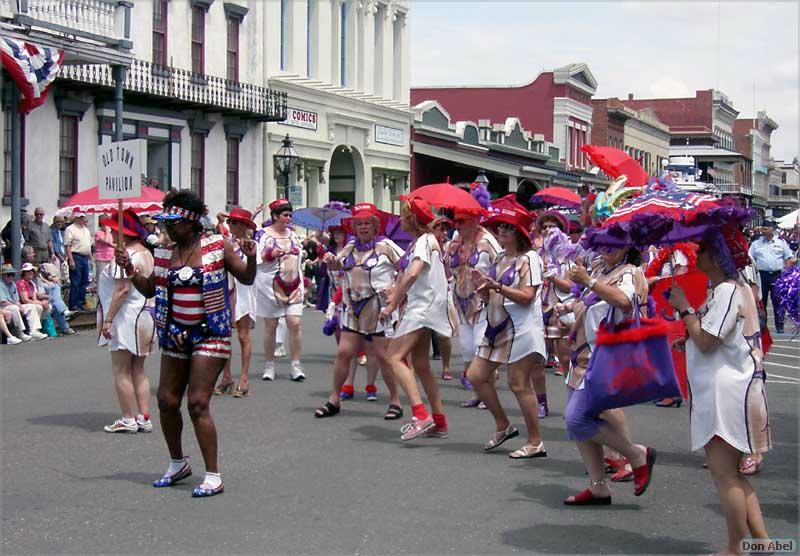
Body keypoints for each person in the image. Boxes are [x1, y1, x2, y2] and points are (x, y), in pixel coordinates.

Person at [117, 189, 257, 498]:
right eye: (166, 222)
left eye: (174, 222)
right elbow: (150, 289)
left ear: (191, 222)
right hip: (175, 334)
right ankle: (178, 463)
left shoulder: (218, 247)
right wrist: (131, 271)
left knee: (197, 403)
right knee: (166, 401)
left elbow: (246, 278)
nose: (167, 228)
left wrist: (253, 257)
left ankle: (213, 475)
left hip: (211, 334)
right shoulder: (165, 253)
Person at [668, 226, 771, 555]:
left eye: (702, 251)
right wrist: (690, 336)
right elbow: (719, 337)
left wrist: (684, 308)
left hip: (728, 393)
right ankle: (765, 545)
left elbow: (708, 340)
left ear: (717, 256)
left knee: (725, 476)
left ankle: (735, 549)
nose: (696, 256)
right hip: (731, 388)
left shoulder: (728, 290)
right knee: (736, 477)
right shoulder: (727, 290)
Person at [561, 247, 655, 506]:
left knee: (576, 420)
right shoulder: (601, 269)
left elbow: (623, 301)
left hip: (602, 358)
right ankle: (598, 486)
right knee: (582, 424)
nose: (605, 249)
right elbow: (591, 307)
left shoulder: (629, 272)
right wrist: (566, 313)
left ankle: (636, 454)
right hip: (581, 355)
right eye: (601, 243)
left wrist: (588, 281)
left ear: (627, 247)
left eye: (612, 244)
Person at [468, 206, 548, 458]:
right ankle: (503, 425)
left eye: (508, 227)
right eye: (500, 225)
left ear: (520, 233)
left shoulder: (530, 259)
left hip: (522, 329)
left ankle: (535, 441)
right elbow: (490, 291)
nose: (501, 229)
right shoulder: (499, 258)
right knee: (476, 376)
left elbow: (527, 296)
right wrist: (480, 286)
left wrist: (498, 287)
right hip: (496, 328)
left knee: (518, 384)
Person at [315, 203, 403, 420]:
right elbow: (337, 267)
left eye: (367, 223)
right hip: (353, 308)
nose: (363, 227)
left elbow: (406, 269)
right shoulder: (351, 247)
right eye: (359, 223)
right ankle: (334, 399)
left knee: (383, 357)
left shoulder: (386, 246)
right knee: (344, 352)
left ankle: (395, 401)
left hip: (378, 309)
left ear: (375, 226)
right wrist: (331, 261)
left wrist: (395, 289)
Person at [381, 198, 454, 440]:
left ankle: (420, 414)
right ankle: (440, 421)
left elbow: (412, 273)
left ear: (412, 218)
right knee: (421, 365)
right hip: (428, 306)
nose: (399, 219)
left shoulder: (423, 240)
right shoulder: (426, 241)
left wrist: (392, 304)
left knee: (392, 357)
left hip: (422, 307)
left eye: (402, 216)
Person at [98, 209, 156, 433]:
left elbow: (121, 290)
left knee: (121, 369)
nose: (111, 232)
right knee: (138, 369)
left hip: (127, 316)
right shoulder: (147, 253)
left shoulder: (126, 256)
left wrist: (108, 320)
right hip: (146, 314)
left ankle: (128, 418)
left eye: (114, 229)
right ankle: (143, 415)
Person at [447, 208, 501, 397]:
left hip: (484, 303)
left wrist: (490, 284)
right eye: (456, 221)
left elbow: (502, 265)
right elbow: (448, 269)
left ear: (474, 221)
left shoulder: (487, 243)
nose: (457, 225)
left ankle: (489, 393)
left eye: (462, 221)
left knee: (481, 347)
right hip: (461, 304)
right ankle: (478, 394)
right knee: (467, 349)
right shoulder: (455, 243)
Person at [255, 199, 306, 382]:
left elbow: (300, 255)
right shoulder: (262, 235)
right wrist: (269, 254)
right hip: (269, 287)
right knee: (271, 326)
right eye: (285, 215)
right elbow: (255, 258)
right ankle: (269, 366)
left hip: (293, 284)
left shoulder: (292, 234)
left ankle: (296, 365)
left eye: (290, 215)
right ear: (275, 216)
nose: (288, 218)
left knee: (294, 323)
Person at [214, 207, 258, 398]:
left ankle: (244, 378)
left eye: (236, 222)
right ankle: (226, 377)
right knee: (224, 336)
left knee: (242, 335)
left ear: (245, 225)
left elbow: (254, 267)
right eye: (230, 222)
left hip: (244, 291)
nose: (232, 225)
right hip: (226, 290)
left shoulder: (252, 244)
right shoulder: (224, 243)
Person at [535, 210, 571, 415]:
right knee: (537, 360)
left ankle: (574, 402)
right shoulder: (536, 255)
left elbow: (569, 287)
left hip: (560, 310)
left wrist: (553, 277)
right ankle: (541, 402)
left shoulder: (568, 254)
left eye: (552, 226)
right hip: (539, 310)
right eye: (545, 227)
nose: (548, 230)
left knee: (565, 359)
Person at [748, 222, 795, 333]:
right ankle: (762, 327)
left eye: (766, 229)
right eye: (762, 229)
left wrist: (786, 274)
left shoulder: (781, 243)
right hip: (761, 276)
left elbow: (789, 258)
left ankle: (780, 327)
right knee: (761, 301)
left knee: (778, 301)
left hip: (777, 276)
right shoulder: (756, 244)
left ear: (772, 229)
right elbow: (749, 258)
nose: (763, 231)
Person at [17, 262, 74, 336]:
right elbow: (25, 300)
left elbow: (34, 299)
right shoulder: (21, 283)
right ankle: (34, 330)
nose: (31, 273)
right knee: (39, 306)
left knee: (51, 306)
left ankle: (63, 327)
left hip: (34, 303)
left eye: (32, 271)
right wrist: (41, 302)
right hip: (24, 305)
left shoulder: (31, 283)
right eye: (28, 271)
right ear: (24, 273)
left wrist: (44, 302)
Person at [0, 263, 47, 340]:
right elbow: (3, 302)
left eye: (12, 274)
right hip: (4, 307)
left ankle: (34, 331)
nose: (11, 277)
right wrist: (18, 306)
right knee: (14, 308)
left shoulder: (13, 284)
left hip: (13, 305)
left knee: (31, 307)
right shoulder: (1, 284)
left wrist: (20, 306)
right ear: (3, 275)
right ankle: (20, 332)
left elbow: (17, 299)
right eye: (9, 275)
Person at [64, 213, 92, 311]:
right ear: (76, 218)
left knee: (84, 281)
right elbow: (67, 245)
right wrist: (71, 260)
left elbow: (88, 245)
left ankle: (81, 302)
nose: (82, 219)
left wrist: (91, 259)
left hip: (85, 257)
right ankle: (73, 303)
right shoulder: (70, 229)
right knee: (76, 281)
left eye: (83, 217)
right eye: (80, 217)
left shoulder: (86, 230)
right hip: (76, 256)